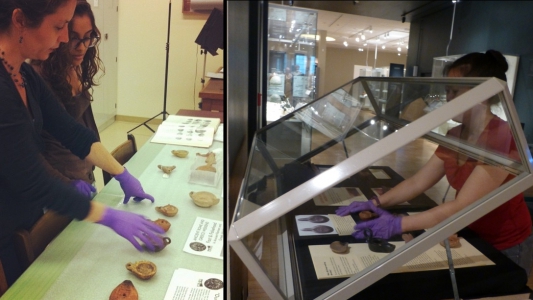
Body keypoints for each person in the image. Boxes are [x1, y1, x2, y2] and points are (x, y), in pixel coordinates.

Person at [0, 0, 165, 286]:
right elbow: (32, 180)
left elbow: (72, 131)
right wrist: (109, 217)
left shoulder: (24, 76)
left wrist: (121, 172)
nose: (64, 38)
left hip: (24, 214)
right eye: (59, 26)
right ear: (20, 20)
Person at [336, 50, 533, 274]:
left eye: (455, 91)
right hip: (467, 229)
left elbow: (464, 205)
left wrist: (398, 224)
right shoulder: (456, 135)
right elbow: (418, 182)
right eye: (447, 90)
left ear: (482, 93)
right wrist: (377, 203)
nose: (449, 98)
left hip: (505, 242)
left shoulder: (500, 136)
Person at [31, 0, 102, 198]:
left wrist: (103, 161)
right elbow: (35, 149)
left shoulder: (74, 66)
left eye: (88, 38)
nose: (81, 47)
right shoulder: (38, 76)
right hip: (62, 181)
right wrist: (66, 184)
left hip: (83, 172)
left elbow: (85, 125)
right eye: (74, 38)